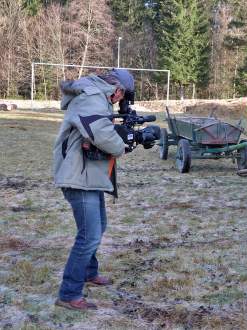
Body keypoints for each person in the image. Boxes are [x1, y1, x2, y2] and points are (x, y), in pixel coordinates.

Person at [53, 69, 135, 310]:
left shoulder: (96, 95)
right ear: (117, 89)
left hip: (87, 175)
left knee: (98, 227)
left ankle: (89, 272)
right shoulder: (91, 96)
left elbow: (101, 130)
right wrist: (124, 145)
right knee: (88, 236)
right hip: (77, 176)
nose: (121, 101)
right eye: (123, 96)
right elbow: (100, 132)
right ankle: (69, 294)